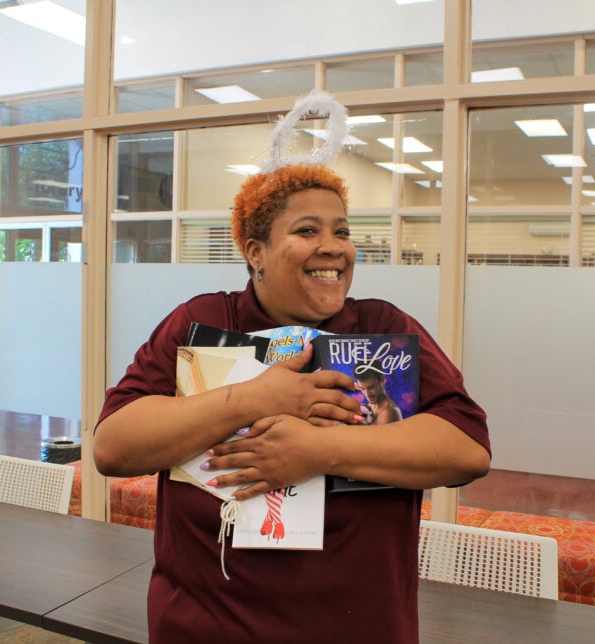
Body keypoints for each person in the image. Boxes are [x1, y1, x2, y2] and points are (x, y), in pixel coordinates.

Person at [93, 93, 490, 644]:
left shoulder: (380, 329)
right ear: (254, 251)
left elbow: (465, 448)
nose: (333, 248)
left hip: (355, 627)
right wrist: (257, 398)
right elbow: (114, 447)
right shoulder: (202, 322)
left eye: (343, 232)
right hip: (203, 625)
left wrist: (317, 451)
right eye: (308, 231)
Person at [354, 359, 403, 424]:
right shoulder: (368, 407)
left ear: (382, 380)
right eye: (362, 388)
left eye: (371, 387)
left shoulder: (387, 412)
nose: (367, 394)